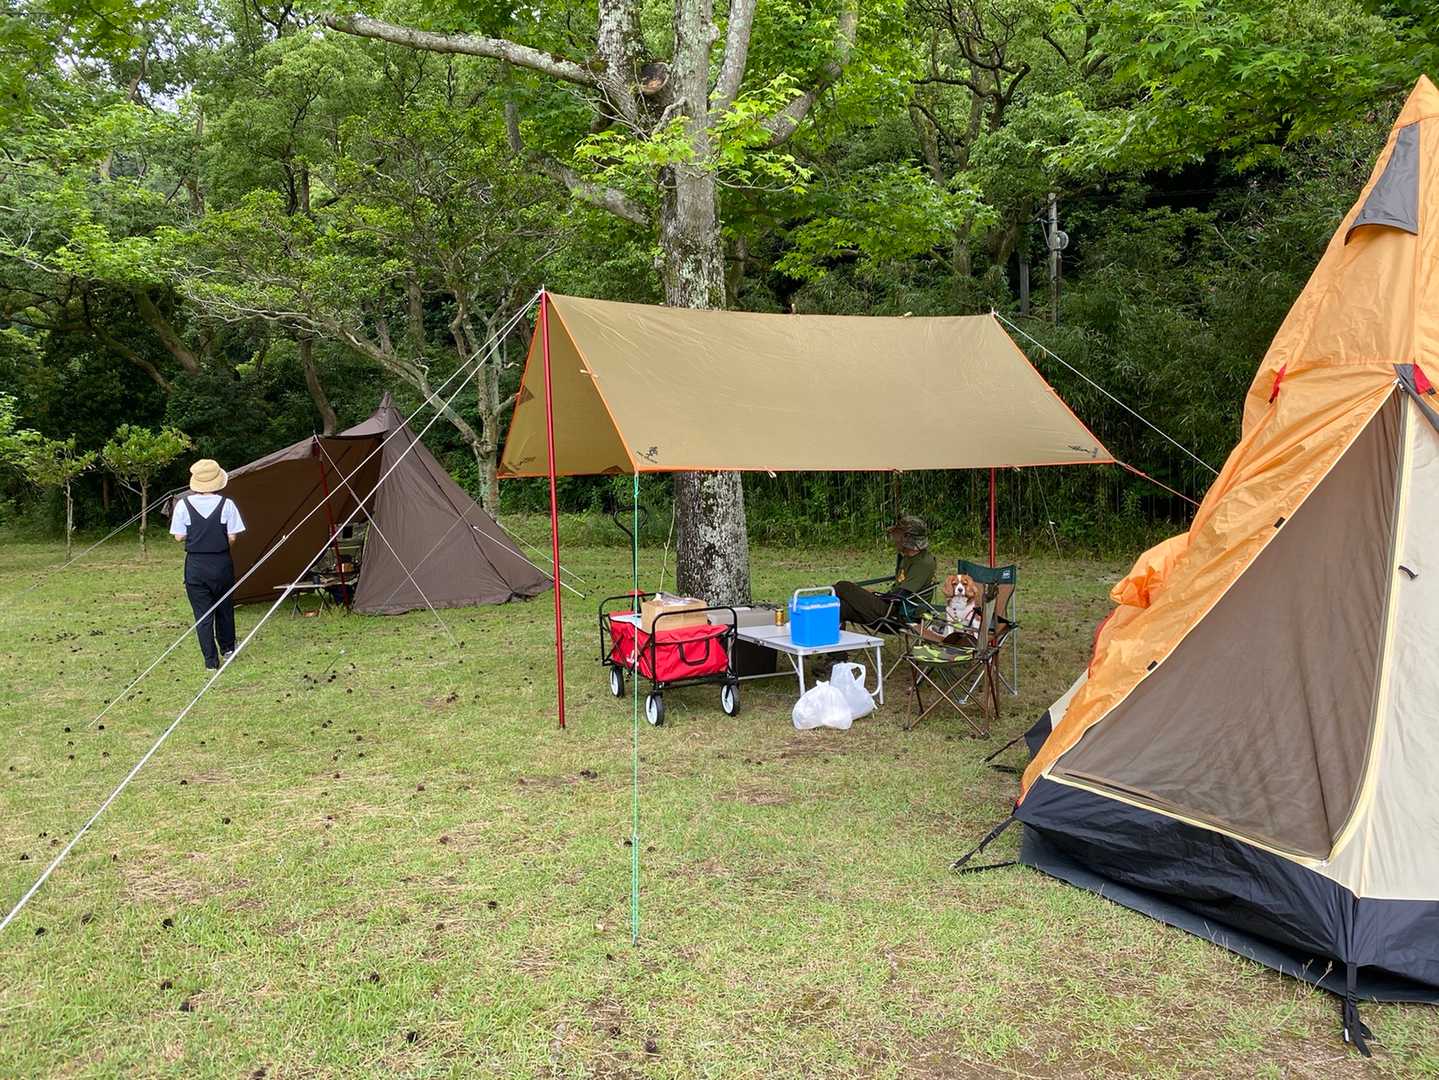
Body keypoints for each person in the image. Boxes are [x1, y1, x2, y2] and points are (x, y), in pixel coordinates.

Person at [170, 459, 246, 670]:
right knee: (224, 608)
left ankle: (210, 661)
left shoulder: (183, 505)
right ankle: (228, 649)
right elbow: (232, 537)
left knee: (202, 614)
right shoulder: (227, 504)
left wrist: (197, 536)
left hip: (195, 565)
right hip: (221, 562)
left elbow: (178, 536)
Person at [832, 515, 937, 629]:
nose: (894, 539)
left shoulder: (923, 563)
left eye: (897, 535)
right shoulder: (907, 557)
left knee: (843, 587)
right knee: (839, 607)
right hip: (891, 606)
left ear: (907, 538)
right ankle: (830, 638)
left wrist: (876, 596)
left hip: (898, 615)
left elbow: (900, 596)